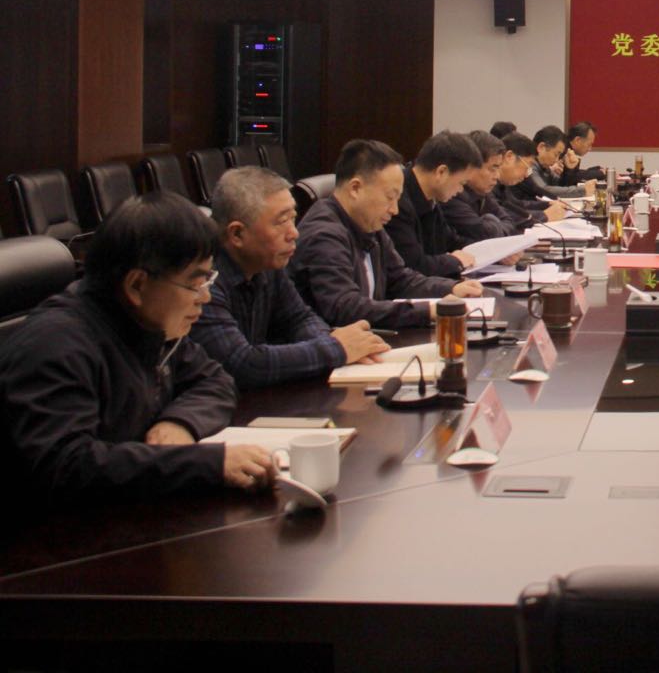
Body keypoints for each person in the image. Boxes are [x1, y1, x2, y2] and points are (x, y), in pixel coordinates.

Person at [0, 193, 276, 502]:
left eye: (207, 282)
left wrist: (180, 423)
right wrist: (208, 464)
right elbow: (68, 465)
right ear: (136, 285)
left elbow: (215, 380)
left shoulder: (146, 321)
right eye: (194, 284)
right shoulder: (54, 345)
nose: (205, 297)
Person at [194, 167, 390, 388]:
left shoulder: (268, 262)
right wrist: (336, 348)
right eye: (281, 221)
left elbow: (299, 318)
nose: (294, 233)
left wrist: (330, 340)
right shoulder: (203, 281)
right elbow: (242, 363)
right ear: (237, 233)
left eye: (293, 218)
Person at [289, 139, 481, 329]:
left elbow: (401, 280)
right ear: (355, 188)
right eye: (390, 197)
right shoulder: (324, 235)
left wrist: (450, 288)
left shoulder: (370, 225)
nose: (395, 210)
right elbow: (345, 307)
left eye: (398, 199)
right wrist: (427, 311)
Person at [385, 130, 484, 277]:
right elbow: (413, 265)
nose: (460, 191)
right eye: (462, 183)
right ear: (441, 172)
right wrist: (454, 261)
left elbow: (450, 241)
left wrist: (492, 252)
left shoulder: (430, 199)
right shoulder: (397, 202)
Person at [444, 130, 526, 242]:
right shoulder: (452, 195)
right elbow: (482, 233)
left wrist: (492, 225)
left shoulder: (483, 193)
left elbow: (509, 222)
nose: (497, 176)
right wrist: (495, 224)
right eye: (492, 168)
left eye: (498, 168)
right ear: (471, 165)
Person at [557, 121, 606, 185]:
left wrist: (596, 170)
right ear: (577, 140)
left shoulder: (567, 146)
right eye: (589, 144)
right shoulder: (563, 149)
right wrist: (600, 173)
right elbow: (572, 178)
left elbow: (574, 173)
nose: (590, 149)